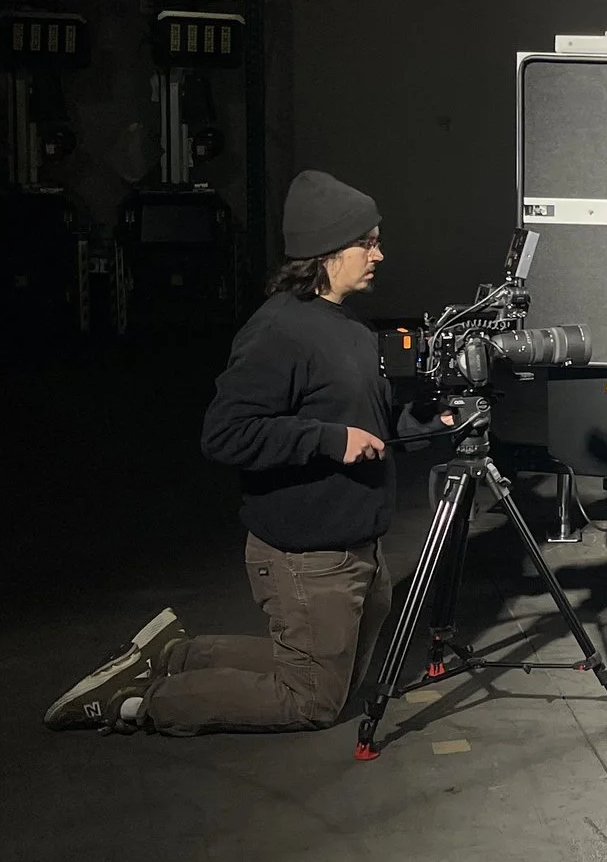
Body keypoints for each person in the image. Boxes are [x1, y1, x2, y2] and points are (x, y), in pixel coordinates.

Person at [46, 169, 402, 735]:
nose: (379, 254)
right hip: (308, 554)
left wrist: (427, 418)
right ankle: (138, 703)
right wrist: (330, 441)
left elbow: (367, 417)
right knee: (312, 701)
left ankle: (175, 655)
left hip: (358, 546)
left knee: (335, 679)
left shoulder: (352, 330)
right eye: (369, 241)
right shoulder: (279, 332)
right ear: (328, 250)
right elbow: (227, 432)